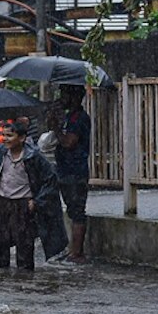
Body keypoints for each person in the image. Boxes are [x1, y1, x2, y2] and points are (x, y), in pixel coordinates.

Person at [0, 117, 66, 270]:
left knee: (24, 244)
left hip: (23, 204)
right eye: (4, 135)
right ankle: (0, 278)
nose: (5, 139)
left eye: (10, 136)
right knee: (0, 242)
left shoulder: (33, 157)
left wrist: (37, 201)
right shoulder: (0, 153)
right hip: (2, 202)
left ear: (22, 138)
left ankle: (25, 279)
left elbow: (51, 180)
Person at [55, 83, 92, 263]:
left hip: (75, 171)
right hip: (66, 170)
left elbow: (69, 142)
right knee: (71, 210)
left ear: (74, 96)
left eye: (65, 94)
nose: (62, 98)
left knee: (77, 211)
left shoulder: (79, 118)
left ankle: (77, 253)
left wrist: (56, 131)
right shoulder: (70, 117)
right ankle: (73, 250)